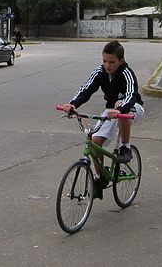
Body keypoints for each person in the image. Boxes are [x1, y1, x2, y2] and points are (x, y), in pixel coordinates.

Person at [60, 40, 145, 199]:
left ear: (121, 61)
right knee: (94, 140)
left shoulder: (127, 73)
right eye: (104, 61)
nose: (107, 65)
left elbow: (131, 95)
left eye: (112, 62)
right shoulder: (100, 72)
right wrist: (72, 104)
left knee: (120, 106)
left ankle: (125, 147)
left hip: (132, 108)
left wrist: (119, 109)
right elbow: (86, 89)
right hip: (112, 110)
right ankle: (100, 178)